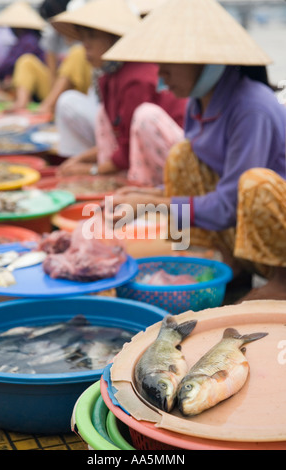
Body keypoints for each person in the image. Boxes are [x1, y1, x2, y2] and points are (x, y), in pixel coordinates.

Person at [101, 0, 286, 302]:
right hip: (241, 223)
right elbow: (215, 185)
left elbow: (232, 200)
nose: (161, 76)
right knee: (181, 157)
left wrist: (151, 208)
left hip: (275, 228)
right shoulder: (200, 103)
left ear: (205, 61)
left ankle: (282, 281)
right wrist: (144, 198)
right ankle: (220, 259)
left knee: (256, 183)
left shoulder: (252, 107)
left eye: (169, 64)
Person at [52, 0, 188, 186]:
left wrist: (91, 170)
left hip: (181, 156)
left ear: (115, 39)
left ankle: (146, 185)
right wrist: (80, 159)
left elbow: (128, 147)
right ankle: (117, 178)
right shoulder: (110, 76)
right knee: (101, 115)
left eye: (91, 37)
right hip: (139, 151)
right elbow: (119, 136)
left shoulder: (137, 77)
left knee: (145, 116)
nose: (85, 45)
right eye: (83, 38)